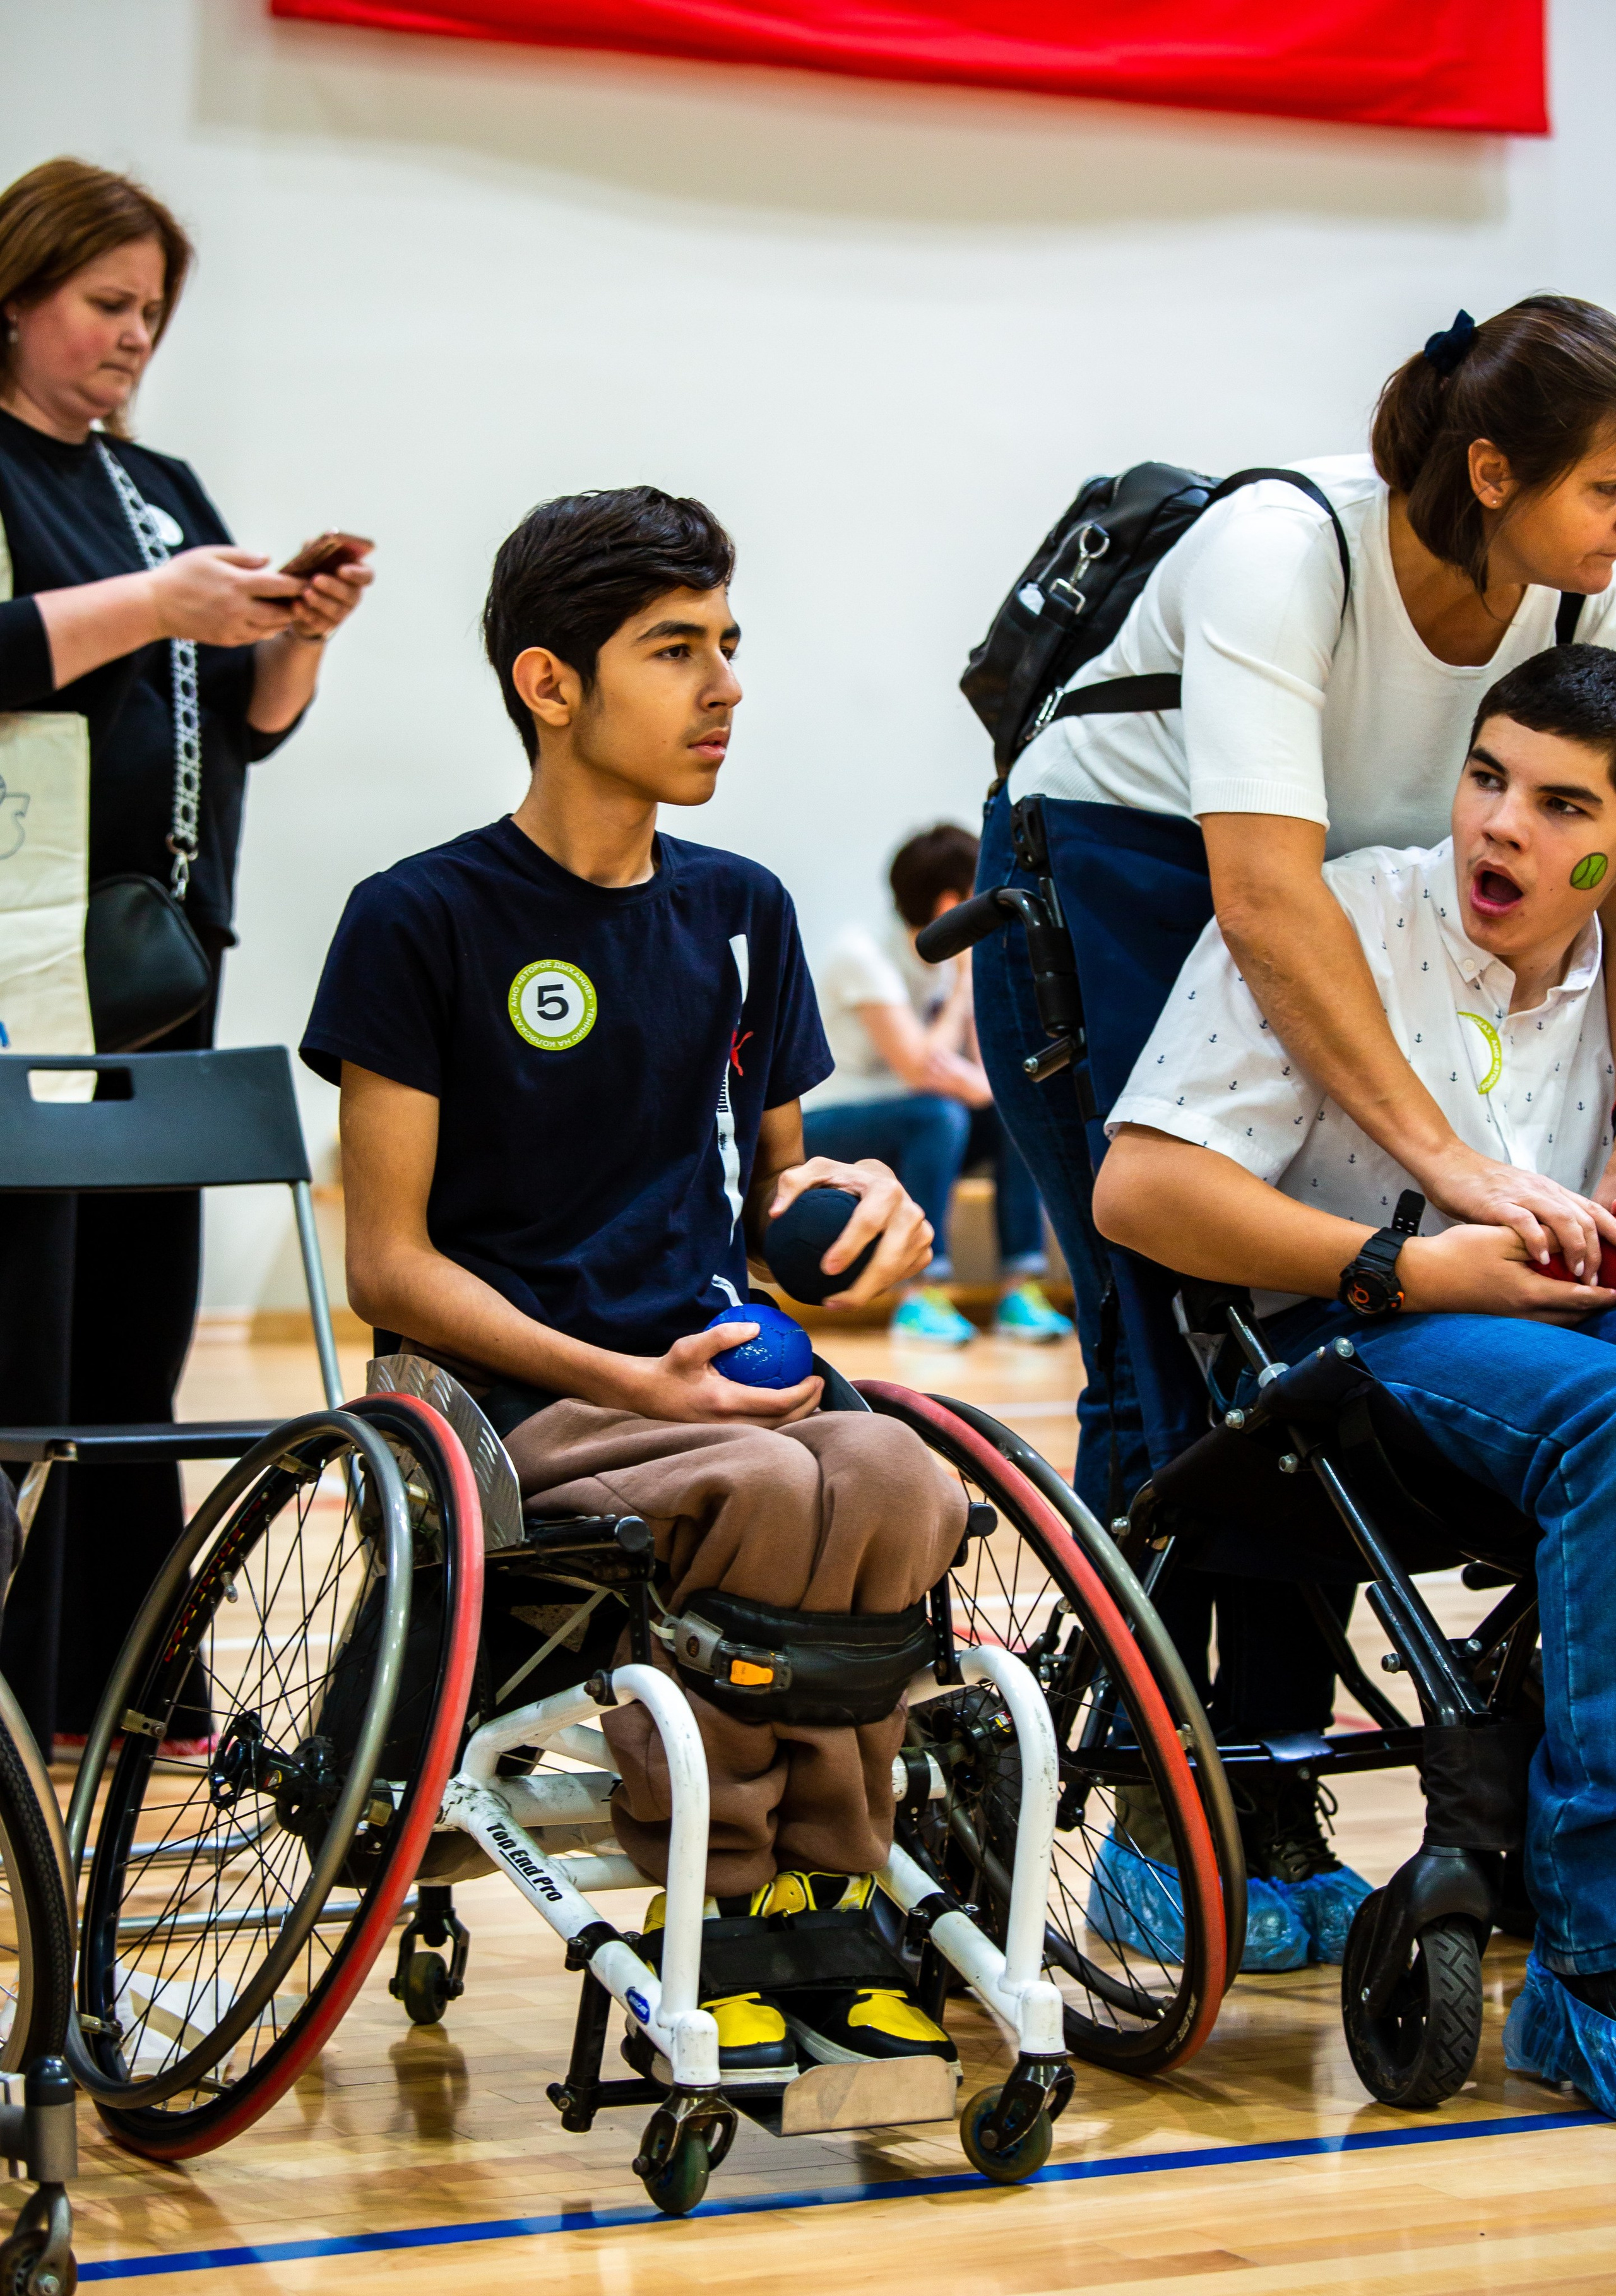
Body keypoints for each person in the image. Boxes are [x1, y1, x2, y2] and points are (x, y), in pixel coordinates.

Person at [301, 485, 964, 2086]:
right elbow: (387, 1259)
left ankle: (831, 1879)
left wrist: (862, 1205)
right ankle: (719, 1903)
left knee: (895, 1465)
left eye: (728, 643)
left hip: (704, 1361)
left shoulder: (740, 912)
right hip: (502, 1396)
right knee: (751, 1472)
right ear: (550, 682)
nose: (723, 683)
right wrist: (624, 1380)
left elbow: (780, 1190)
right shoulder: (421, 918)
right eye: (675, 649)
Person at [973, 295, 1616, 1888]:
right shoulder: (1283, 548)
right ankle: (1175, 1809)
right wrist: (1448, 1179)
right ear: (1487, 470)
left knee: (1331, 1323)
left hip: (1351, 890)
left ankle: (1477, 1789)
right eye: (1605, 487)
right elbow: (1262, 902)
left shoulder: (1561, 604)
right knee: (1179, 1345)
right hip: (1118, 880)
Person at [1094, 643, 1616, 2098]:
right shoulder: (1344, 921)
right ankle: (1590, 1970)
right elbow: (1135, 1192)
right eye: (1485, 775)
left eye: (1562, 806)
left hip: (1545, 1339)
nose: (1499, 825)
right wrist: (1406, 1265)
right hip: (1353, 1335)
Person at [0, 158, 372, 1754]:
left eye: (153, 310)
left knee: (131, 1344)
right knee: (25, 1339)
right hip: (18, 970)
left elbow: (247, 733)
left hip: (156, 971)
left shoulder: (159, 485)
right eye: (105, 304)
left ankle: (102, 1680)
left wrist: (293, 628)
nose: (134, 336)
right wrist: (159, 603)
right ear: (15, 297)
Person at [804, 822, 1072, 1347]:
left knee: (1010, 1111)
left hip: (915, 1117)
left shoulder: (947, 961)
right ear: (953, 901)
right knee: (938, 1113)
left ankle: (1020, 1290)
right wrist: (965, 988)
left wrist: (990, 1087)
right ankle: (920, 1294)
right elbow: (919, 1069)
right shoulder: (863, 955)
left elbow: (982, 1067)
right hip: (829, 1124)